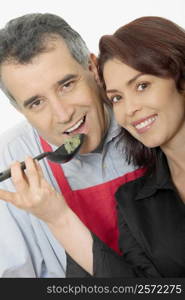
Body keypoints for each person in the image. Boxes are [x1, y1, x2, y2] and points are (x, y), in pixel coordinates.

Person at [1, 15, 184, 278]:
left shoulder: (142, 119)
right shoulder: (11, 159)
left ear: (93, 68)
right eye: (36, 103)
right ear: (19, 110)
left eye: (67, 85)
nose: (63, 114)